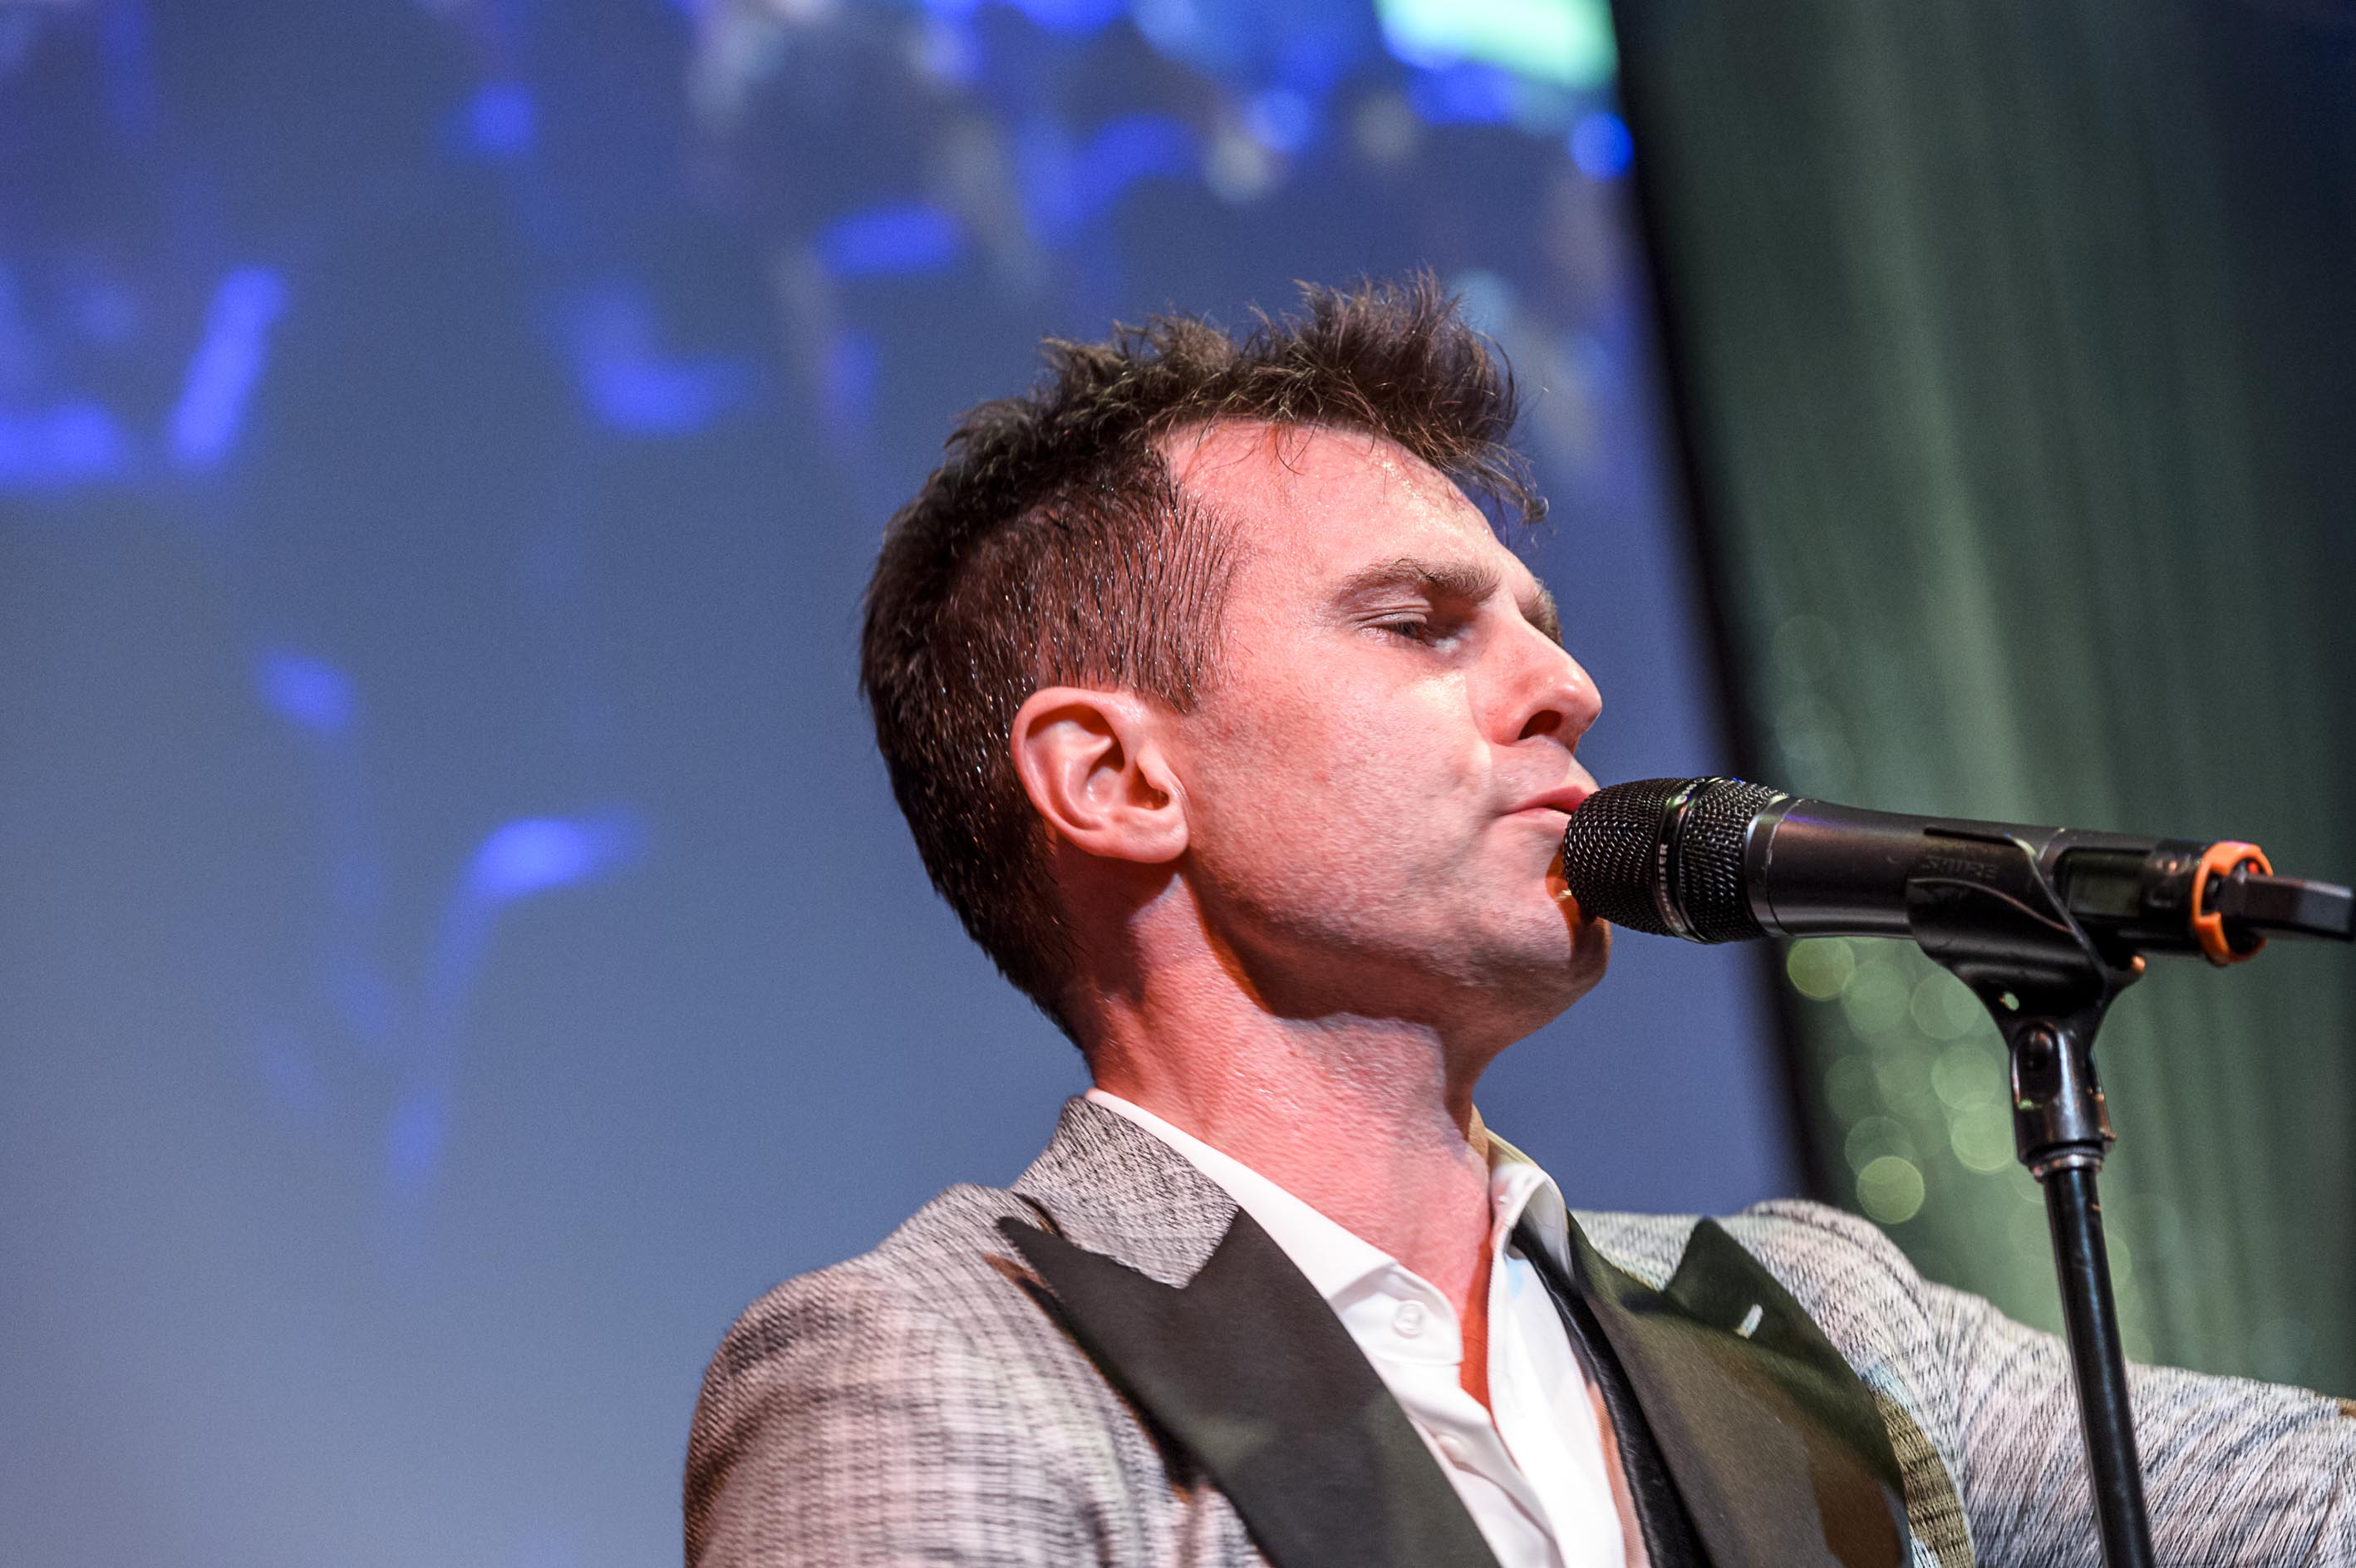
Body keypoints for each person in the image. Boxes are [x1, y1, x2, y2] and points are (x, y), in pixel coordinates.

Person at [683, 278, 2354, 1567]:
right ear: (1115, 779)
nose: (1566, 685)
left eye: (1538, 624)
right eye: (1419, 623)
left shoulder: (1806, 1315)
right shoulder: (933, 1362)